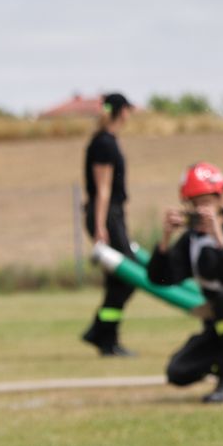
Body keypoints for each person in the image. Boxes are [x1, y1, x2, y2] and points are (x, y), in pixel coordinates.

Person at [146, 162, 223, 404]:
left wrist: (219, 239)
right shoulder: (191, 240)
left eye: (207, 201)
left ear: (221, 198)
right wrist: (165, 240)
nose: (202, 209)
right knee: (177, 371)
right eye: (195, 203)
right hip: (216, 326)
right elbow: (159, 279)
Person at [81, 93, 136, 356]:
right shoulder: (104, 143)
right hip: (106, 215)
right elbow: (102, 189)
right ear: (121, 111)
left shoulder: (107, 140)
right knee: (128, 275)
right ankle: (101, 332)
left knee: (118, 281)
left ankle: (104, 336)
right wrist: (101, 226)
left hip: (112, 215)